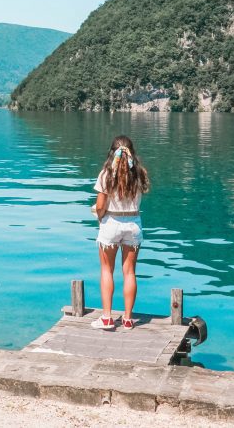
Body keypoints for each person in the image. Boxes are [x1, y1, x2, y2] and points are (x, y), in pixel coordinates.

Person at [91, 135, 151, 330]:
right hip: (133, 223)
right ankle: (127, 319)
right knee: (130, 272)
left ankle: (107, 318)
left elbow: (101, 205)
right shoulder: (139, 173)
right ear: (132, 152)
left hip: (111, 223)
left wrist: (99, 215)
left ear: (111, 152)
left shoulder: (106, 174)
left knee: (107, 270)